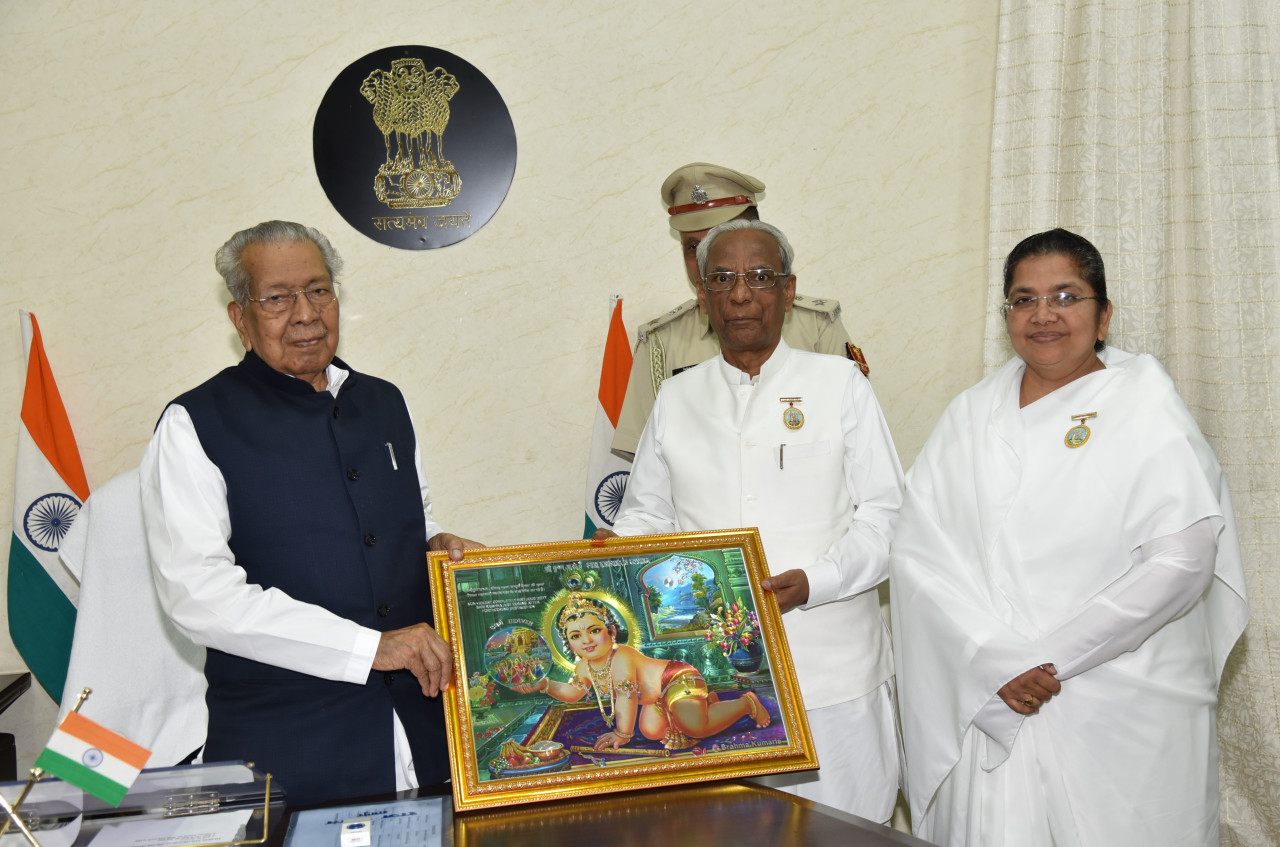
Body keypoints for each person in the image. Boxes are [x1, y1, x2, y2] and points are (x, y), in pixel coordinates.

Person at [889, 229, 1249, 846]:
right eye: (1024, 299)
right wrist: (994, 659)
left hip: (1119, 704)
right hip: (992, 686)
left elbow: (1183, 561)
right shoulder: (970, 416)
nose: (1044, 315)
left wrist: (1046, 661)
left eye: (1065, 296)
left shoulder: (1145, 406)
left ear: (1103, 315)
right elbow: (917, 556)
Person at [140, 221, 480, 805]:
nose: (305, 314)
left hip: (429, 739)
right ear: (240, 318)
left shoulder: (384, 401)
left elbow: (408, 519)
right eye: (277, 298)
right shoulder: (193, 424)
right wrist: (369, 647)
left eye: (319, 290)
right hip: (291, 755)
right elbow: (198, 595)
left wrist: (434, 546)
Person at [598, 219, 905, 822]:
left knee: (850, 830)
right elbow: (647, 515)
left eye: (760, 278)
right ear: (703, 296)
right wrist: (616, 550)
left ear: (788, 291)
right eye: (723, 279)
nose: (741, 295)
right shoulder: (677, 397)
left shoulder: (839, 384)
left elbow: (887, 518)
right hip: (711, 679)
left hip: (832, 671)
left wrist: (816, 582)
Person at [610, 162, 866, 459]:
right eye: (692, 248)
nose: (707, 258)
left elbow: (857, 443)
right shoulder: (661, 345)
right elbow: (645, 464)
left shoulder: (817, 328)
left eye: (718, 240)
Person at [514, 593, 768, 751]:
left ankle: (746, 704)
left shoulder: (621, 656)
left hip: (677, 679)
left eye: (594, 631)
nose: (587, 640)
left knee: (695, 728)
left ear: (611, 632)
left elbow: (626, 696)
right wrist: (545, 685)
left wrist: (622, 733)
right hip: (657, 699)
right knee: (651, 732)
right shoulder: (584, 666)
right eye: (576, 636)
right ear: (569, 644)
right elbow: (573, 692)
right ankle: (704, 704)